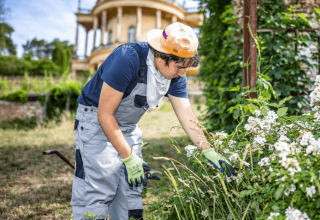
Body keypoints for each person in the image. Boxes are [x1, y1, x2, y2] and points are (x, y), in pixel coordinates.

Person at [70, 22, 235, 220]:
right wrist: (129, 157)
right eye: (179, 67)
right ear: (161, 56)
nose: (182, 74)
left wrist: (207, 149)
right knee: (100, 186)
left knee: (131, 189)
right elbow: (105, 115)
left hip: (128, 127)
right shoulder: (127, 59)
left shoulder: (175, 74)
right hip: (96, 121)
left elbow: (186, 113)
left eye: (186, 67)